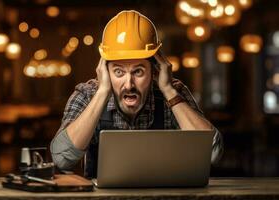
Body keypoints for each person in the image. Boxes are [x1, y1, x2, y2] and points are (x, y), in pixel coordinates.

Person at [50, 10, 223, 178]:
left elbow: (213, 154)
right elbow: (62, 159)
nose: (129, 84)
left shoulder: (173, 93)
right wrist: (103, 92)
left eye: (138, 72)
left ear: (155, 69)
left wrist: (169, 91)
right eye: (118, 72)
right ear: (105, 71)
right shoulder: (87, 95)